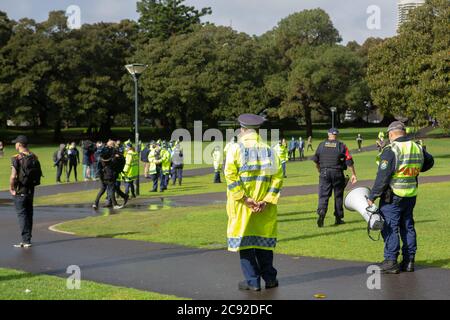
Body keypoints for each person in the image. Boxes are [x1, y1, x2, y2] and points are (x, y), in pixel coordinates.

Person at [224, 113, 283, 291]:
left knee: (246, 243)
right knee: (263, 242)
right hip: (265, 207)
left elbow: (230, 176)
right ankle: (270, 279)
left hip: (242, 206)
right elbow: (277, 178)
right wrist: (265, 200)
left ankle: (253, 281)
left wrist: (245, 198)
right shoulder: (270, 150)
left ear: (242, 129)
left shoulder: (235, 148)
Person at [367, 121, 434, 274]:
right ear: (403, 132)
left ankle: (391, 261)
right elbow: (429, 162)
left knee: (390, 226)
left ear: (391, 134)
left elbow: (382, 177)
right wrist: (415, 170)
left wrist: (372, 196)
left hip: (393, 196)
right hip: (411, 194)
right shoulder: (417, 147)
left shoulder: (391, 150)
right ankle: (409, 261)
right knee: (408, 227)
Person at [312, 128, 358, 227]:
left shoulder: (321, 145)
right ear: (336, 135)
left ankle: (322, 213)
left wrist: (319, 170)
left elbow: (316, 160)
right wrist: (353, 174)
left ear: (328, 134)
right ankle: (338, 218)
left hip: (324, 172)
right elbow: (349, 161)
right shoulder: (341, 146)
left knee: (323, 196)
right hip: (337, 173)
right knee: (338, 196)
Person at [9, 135, 42, 248]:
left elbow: (13, 176)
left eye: (15, 143)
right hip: (30, 190)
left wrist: (11, 188)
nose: (15, 145)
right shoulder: (34, 156)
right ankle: (28, 239)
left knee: (22, 215)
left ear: (19, 145)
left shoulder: (16, 158)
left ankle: (25, 240)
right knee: (29, 214)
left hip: (20, 190)